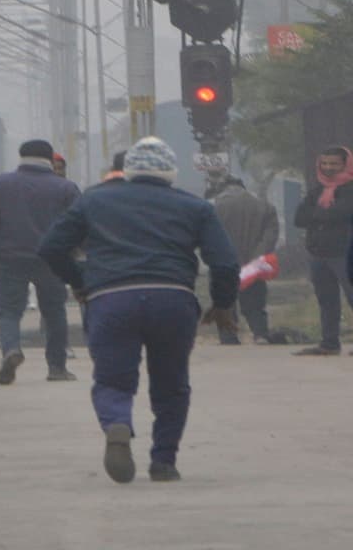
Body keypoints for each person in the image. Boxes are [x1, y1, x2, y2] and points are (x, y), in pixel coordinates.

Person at [38, 136, 239, 484]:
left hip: (112, 298)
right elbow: (225, 263)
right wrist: (222, 304)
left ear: (127, 170)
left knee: (113, 380)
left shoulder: (94, 200)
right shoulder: (196, 207)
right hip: (172, 300)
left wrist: (81, 282)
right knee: (172, 384)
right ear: (171, 172)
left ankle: (117, 423)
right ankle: (163, 461)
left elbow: (52, 248)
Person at [0, 139, 81, 384]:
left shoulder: (1, 184)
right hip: (52, 258)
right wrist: (73, 254)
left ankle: (11, 350)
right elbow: (79, 224)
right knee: (55, 311)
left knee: (9, 311)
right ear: (49, 160)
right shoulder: (66, 187)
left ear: (21, 157)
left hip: (9, 256)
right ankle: (57, 368)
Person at [293, 146, 353, 355]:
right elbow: (299, 218)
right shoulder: (317, 190)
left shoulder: (350, 189)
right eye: (325, 163)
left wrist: (317, 213)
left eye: (334, 164)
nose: (328, 168)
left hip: (344, 254)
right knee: (327, 300)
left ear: (345, 165)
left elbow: (344, 212)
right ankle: (329, 343)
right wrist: (325, 212)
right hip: (319, 254)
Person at [212, 177, 279, 345]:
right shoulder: (264, 205)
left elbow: (207, 235)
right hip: (253, 262)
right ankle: (260, 333)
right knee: (255, 300)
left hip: (224, 261)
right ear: (243, 186)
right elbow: (271, 236)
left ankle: (228, 337)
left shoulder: (213, 206)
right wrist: (258, 256)